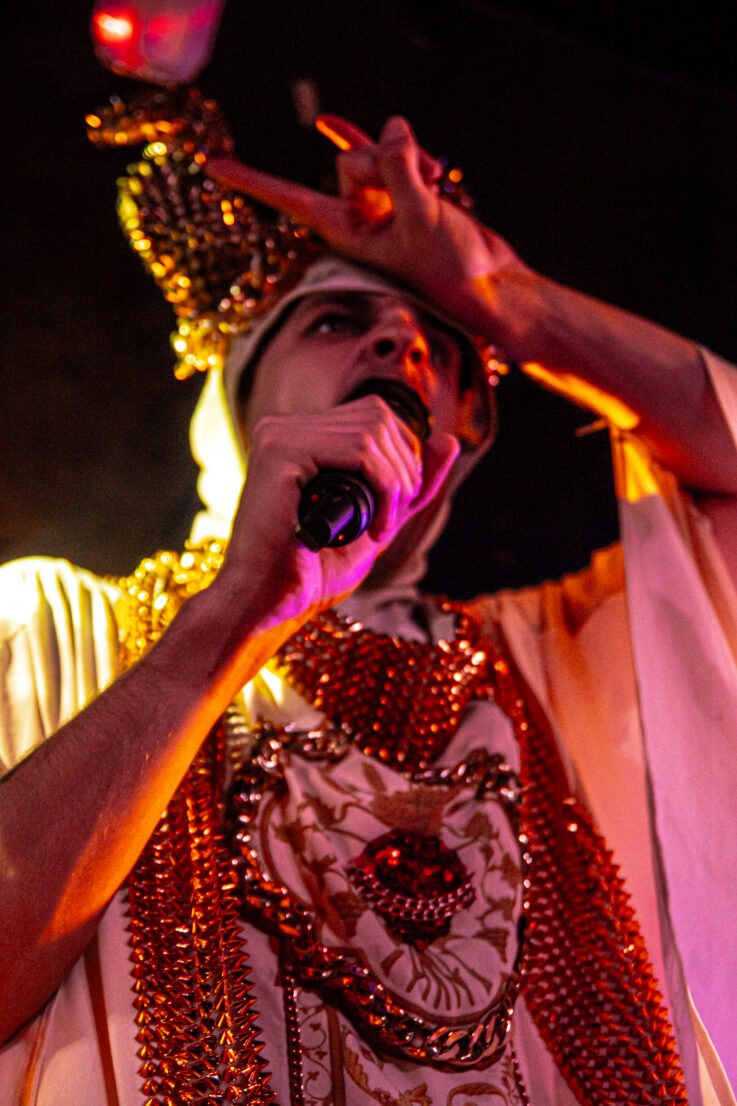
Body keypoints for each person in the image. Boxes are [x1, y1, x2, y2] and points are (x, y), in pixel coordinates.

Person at [0, 97, 736, 1105]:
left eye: (437, 341)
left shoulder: (561, 658)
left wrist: (505, 300)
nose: (400, 345)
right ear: (237, 394)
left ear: (465, 430)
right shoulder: (49, 626)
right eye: (339, 319)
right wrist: (234, 615)